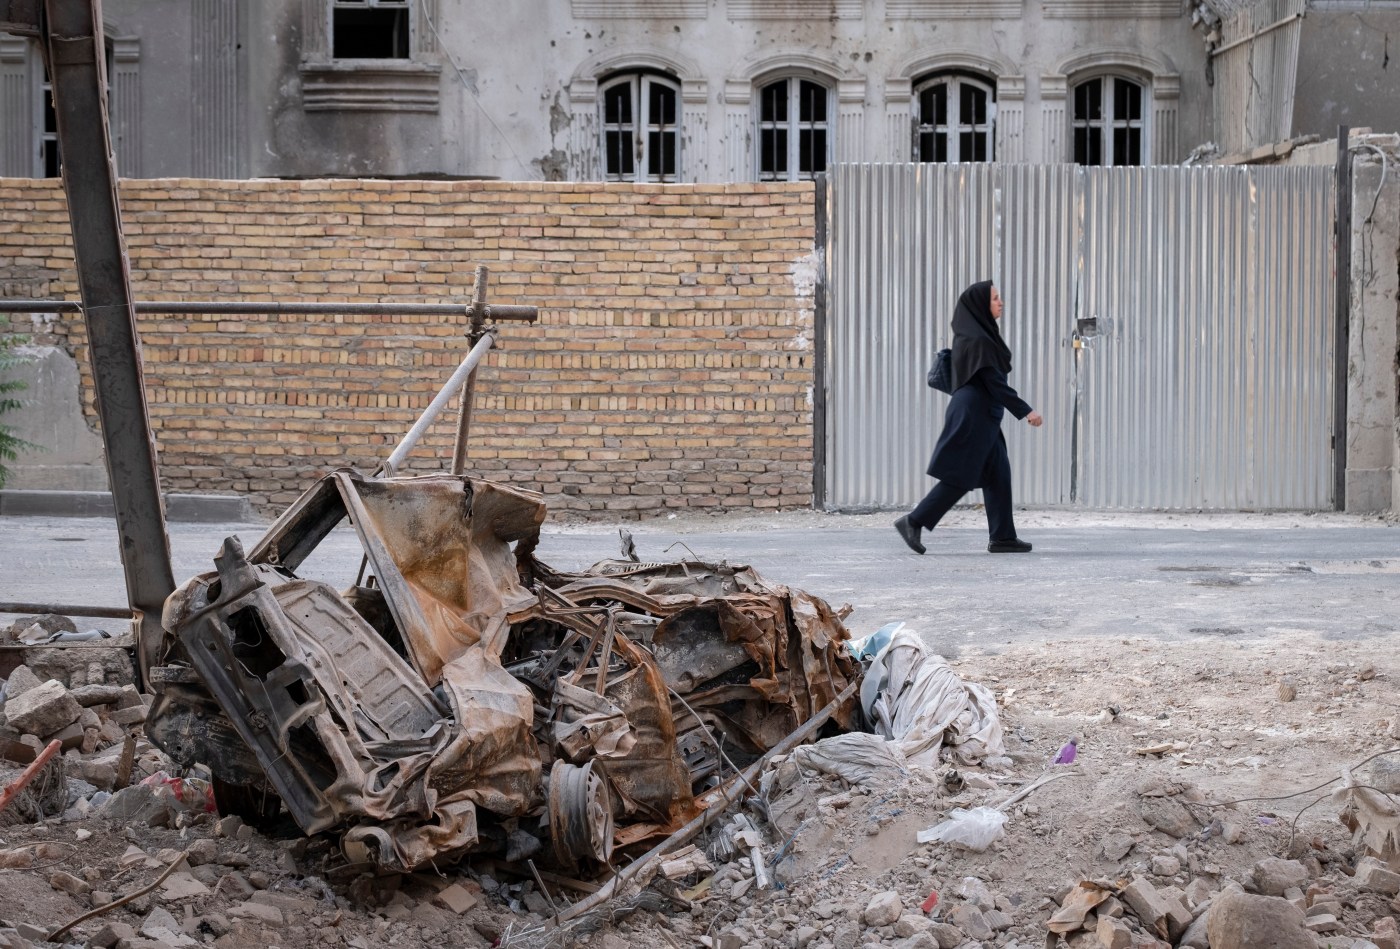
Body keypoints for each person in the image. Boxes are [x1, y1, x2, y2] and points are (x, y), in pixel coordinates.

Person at [894, 280, 1043, 555]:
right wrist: (1026, 411)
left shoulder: (977, 336)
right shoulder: (977, 340)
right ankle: (913, 521)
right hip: (974, 415)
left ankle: (1002, 537)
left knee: (998, 473)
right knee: (960, 475)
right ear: (980, 306)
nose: (1001, 303)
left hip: (983, 414)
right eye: (995, 298)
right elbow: (994, 383)